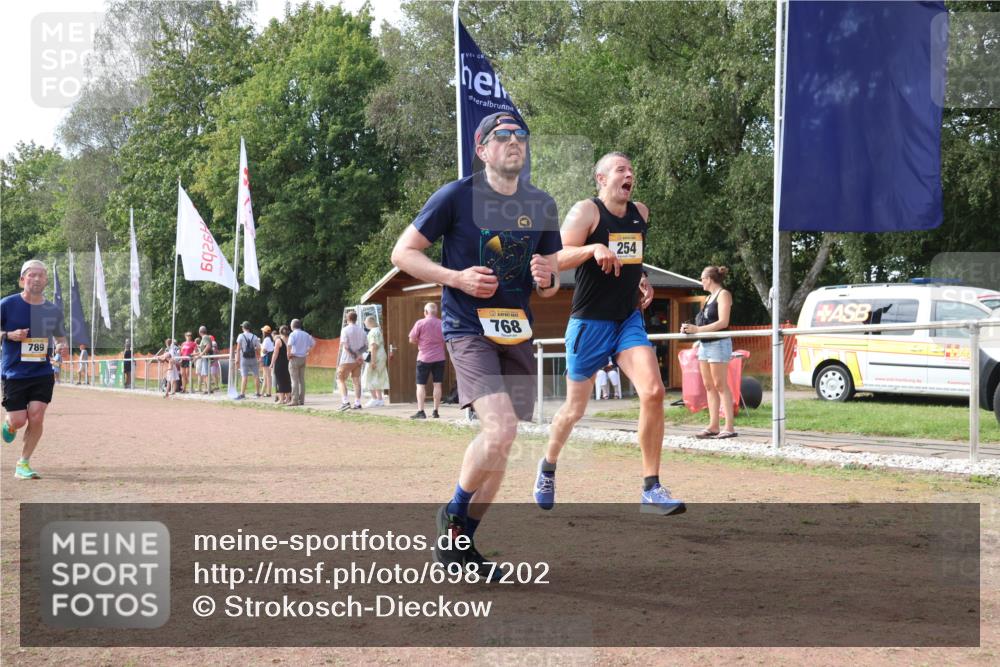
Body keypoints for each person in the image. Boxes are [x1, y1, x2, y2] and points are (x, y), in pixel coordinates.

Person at [391, 111, 561, 576]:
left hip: (517, 331)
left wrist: (547, 279)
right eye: (502, 135)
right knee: (500, 430)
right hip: (468, 328)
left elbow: (549, 281)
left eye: (520, 135)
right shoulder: (456, 196)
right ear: (482, 149)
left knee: (503, 443)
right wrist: (456, 278)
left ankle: (459, 546)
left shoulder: (541, 204)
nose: (514, 141)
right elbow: (402, 253)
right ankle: (453, 512)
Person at [534, 152, 685, 516]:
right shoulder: (586, 212)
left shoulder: (641, 213)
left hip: (627, 319)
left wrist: (642, 278)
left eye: (631, 170)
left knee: (653, 391)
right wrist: (592, 248)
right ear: (601, 178)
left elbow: (630, 256)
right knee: (575, 409)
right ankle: (548, 466)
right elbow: (556, 258)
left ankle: (651, 488)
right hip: (590, 322)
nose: (629, 174)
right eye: (621, 169)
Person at [1, 260, 70, 479]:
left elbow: (60, 337)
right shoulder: (7, 304)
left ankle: (23, 463)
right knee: (19, 420)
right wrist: (8, 335)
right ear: (22, 280)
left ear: (46, 280)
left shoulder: (53, 310)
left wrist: (62, 346)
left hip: (42, 371)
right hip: (14, 372)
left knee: (37, 416)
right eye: (32, 275)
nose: (37, 278)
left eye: (41, 275)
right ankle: (9, 424)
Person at [682, 265, 737, 439]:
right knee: (708, 385)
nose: (701, 282)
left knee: (720, 384)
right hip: (705, 344)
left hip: (719, 343)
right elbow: (705, 322)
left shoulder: (724, 294)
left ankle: (729, 426)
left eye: (702, 279)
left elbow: (723, 322)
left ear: (709, 279)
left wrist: (697, 330)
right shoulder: (708, 298)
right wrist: (693, 332)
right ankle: (714, 425)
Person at [408, 301, 446, 419]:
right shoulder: (442, 323)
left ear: (425, 312)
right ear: (436, 312)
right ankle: (435, 411)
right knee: (438, 384)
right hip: (439, 357)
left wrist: (420, 342)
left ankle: (421, 411)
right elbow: (446, 338)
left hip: (424, 358)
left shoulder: (420, 323)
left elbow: (411, 339)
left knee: (420, 385)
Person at [336, 311, 367, 411]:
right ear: (356, 319)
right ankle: (357, 403)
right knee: (356, 381)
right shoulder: (362, 331)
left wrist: (354, 355)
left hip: (346, 359)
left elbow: (345, 346)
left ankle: (345, 402)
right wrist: (358, 355)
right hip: (358, 361)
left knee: (340, 379)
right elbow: (365, 346)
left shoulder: (345, 330)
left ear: (347, 319)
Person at [363, 315, 389, 407]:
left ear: (369, 322)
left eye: (365, 323)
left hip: (376, 357)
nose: (365, 324)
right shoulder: (378, 330)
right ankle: (380, 399)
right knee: (377, 377)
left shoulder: (373, 332)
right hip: (381, 356)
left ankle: (374, 398)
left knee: (368, 376)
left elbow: (374, 346)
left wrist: (373, 361)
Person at [287, 318, 314, 406]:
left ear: (292, 326)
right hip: (303, 358)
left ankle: (294, 400)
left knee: (294, 380)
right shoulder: (306, 334)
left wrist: (288, 354)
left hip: (294, 358)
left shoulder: (293, 334)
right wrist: (307, 351)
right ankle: (301, 400)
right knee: (301, 380)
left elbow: (289, 345)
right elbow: (313, 343)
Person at [234, 321, 261, 399]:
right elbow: (258, 348)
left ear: (243, 328)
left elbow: (238, 349)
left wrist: (237, 359)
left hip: (244, 358)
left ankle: (242, 394)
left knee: (244, 376)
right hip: (253, 358)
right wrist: (258, 356)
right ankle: (258, 393)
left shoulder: (241, 336)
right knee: (256, 375)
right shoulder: (254, 336)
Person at [271, 325, 292, 404]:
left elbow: (275, 353)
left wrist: (272, 363)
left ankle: (281, 399)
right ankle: (288, 398)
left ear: (280, 332)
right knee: (287, 380)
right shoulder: (290, 339)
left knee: (280, 380)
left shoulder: (278, 341)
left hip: (279, 363)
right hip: (288, 362)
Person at [260, 325, 274, 397]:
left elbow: (264, 350)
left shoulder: (266, 340)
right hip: (269, 357)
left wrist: (261, 346)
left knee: (267, 376)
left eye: (263, 331)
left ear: (264, 332)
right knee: (265, 376)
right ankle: (262, 392)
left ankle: (269, 392)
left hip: (266, 357)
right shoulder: (271, 339)